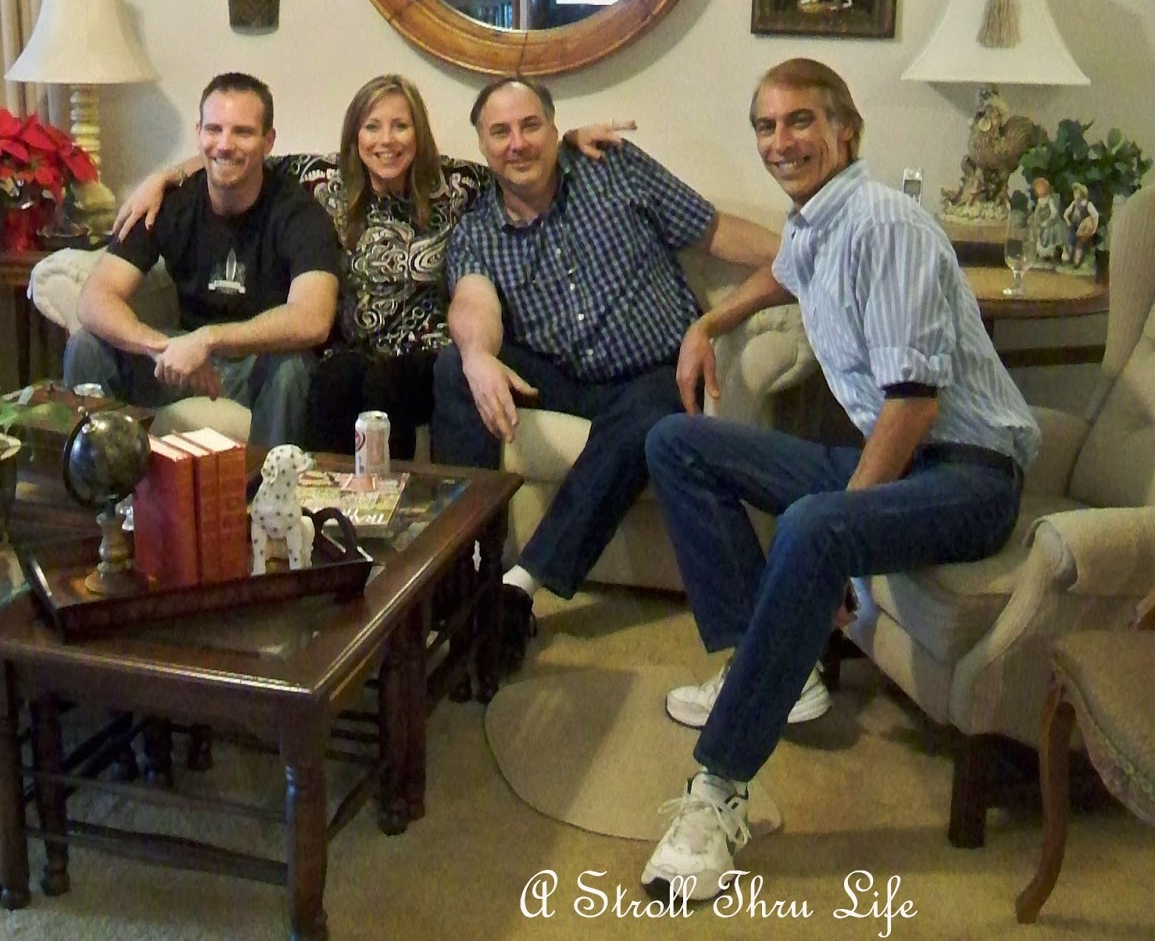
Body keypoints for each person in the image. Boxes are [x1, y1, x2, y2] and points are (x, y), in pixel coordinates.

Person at [638, 58, 1038, 901]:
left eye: (801, 122)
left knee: (816, 525)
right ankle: (765, 665)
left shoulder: (884, 225)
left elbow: (914, 407)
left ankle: (717, 790)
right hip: (904, 460)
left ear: (844, 131)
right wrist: (709, 322)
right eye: (766, 125)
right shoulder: (818, 221)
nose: (781, 141)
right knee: (677, 442)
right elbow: (785, 272)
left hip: (970, 476)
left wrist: (850, 545)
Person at [433, 77, 781, 670]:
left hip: (652, 370)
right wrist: (477, 356)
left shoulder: (614, 169)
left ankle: (519, 585)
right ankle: (466, 573)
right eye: (500, 132)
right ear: (483, 146)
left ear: (554, 128)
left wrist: (802, 250)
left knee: (651, 418)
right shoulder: (476, 231)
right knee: (453, 367)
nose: (517, 143)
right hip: (560, 375)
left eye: (530, 125)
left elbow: (712, 229)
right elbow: (473, 302)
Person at [113, 73, 624, 460]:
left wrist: (567, 142)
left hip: (424, 357)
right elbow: (235, 156)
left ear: (418, 133)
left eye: (400, 126)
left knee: (382, 387)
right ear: (355, 134)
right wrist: (163, 176)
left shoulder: (458, 186)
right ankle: (323, 515)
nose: (387, 140)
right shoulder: (320, 179)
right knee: (332, 382)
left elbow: (518, 161)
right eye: (372, 126)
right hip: (345, 351)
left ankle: (393, 517)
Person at [64, 72, 341, 449]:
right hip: (177, 359)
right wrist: (160, 348)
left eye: (243, 132)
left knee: (293, 369)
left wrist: (208, 340)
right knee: (86, 346)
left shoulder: (298, 213)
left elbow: (313, 318)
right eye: (214, 129)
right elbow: (95, 298)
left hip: (257, 363)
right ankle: (99, 477)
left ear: (268, 141)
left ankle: (271, 485)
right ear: (198, 134)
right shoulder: (168, 204)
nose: (224, 144)